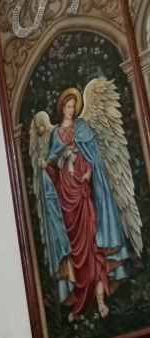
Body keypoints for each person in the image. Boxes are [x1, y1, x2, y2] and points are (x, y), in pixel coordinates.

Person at [35, 87, 132, 320]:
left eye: (73, 106)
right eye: (67, 107)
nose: (70, 110)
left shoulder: (83, 128)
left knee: (94, 247)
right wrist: (46, 166)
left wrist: (88, 172)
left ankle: (100, 299)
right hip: (67, 199)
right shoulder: (57, 134)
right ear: (62, 109)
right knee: (77, 256)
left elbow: (92, 157)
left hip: (84, 194)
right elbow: (54, 168)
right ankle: (81, 305)